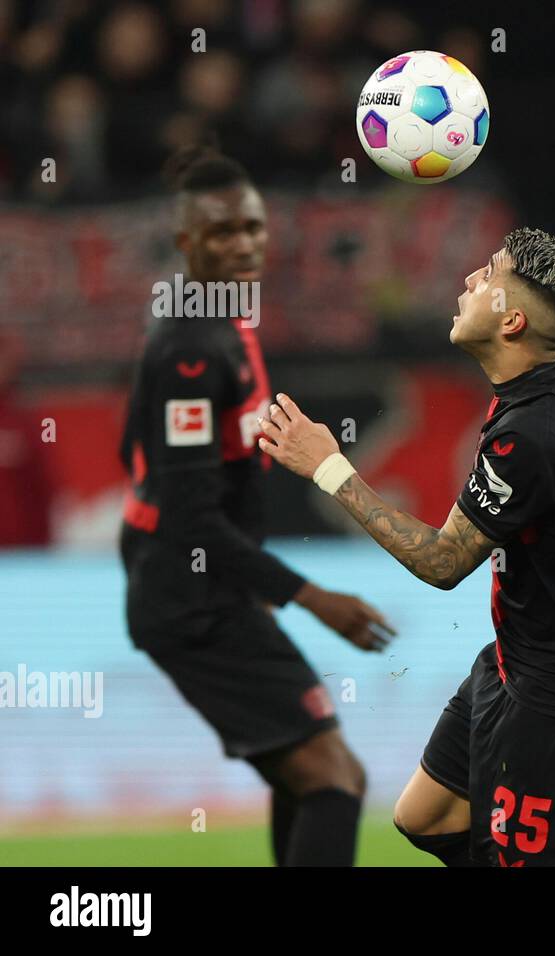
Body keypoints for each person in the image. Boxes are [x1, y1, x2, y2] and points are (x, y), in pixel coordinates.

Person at [258, 227, 555, 866]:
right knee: (424, 816)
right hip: (523, 655)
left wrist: (328, 468)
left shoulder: (532, 436)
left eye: (487, 275)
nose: (468, 282)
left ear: (512, 321)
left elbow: (442, 562)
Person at [119, 145, 390, 867]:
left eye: (252, 227)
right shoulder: (190, 349)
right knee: (336, 777)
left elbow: (133, 456)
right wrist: (308, 596)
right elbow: (187, 516)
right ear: (186, 242)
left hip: (214, 586)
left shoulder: (217, 319)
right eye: (221, 233)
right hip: (190, 599)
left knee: (303, 778)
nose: (243, 244)